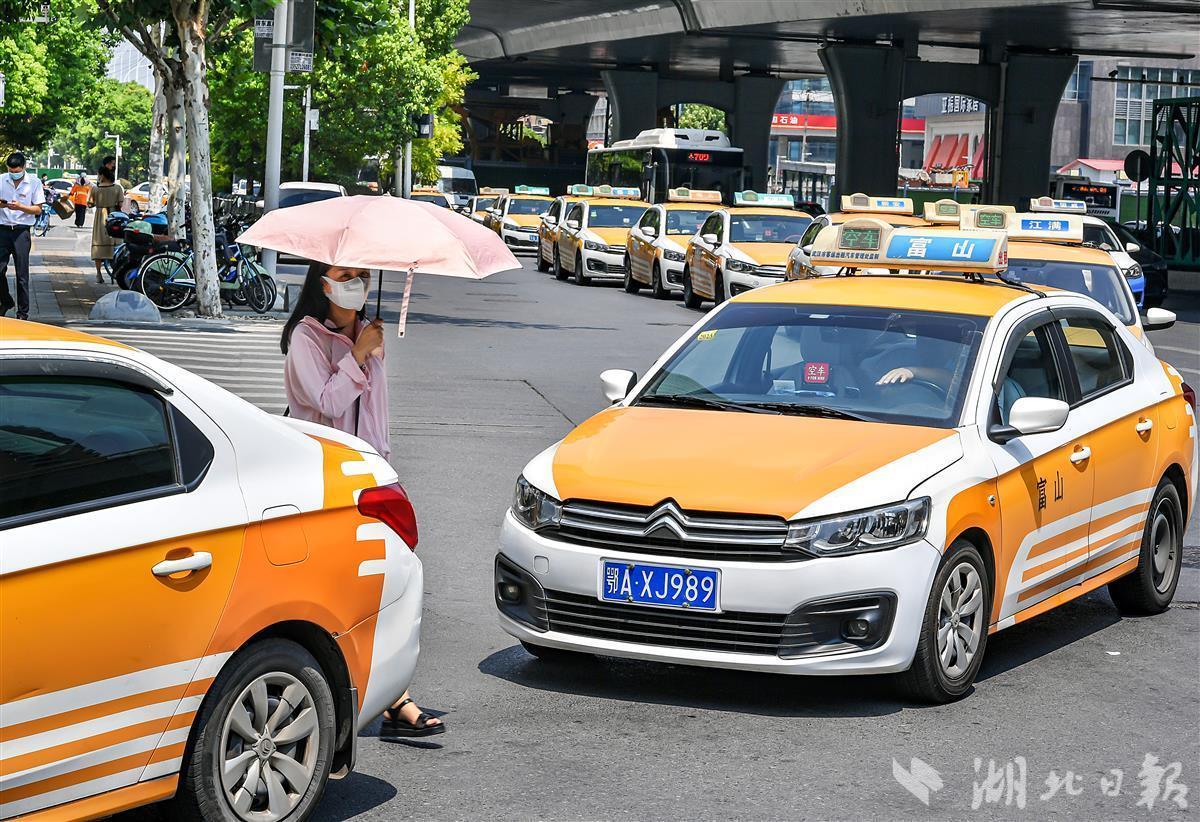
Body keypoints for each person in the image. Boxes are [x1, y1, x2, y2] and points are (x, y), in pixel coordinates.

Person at [281, 262, 446, 741]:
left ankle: (392, 696)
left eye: (363, 276)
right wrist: (356, 354)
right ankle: (344, 694)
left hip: (369, 479)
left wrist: (384, 470)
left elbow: (376, 413)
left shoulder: (369, 334)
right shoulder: (305, 339)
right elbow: (326, 403)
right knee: (329, 589)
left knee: (385, 582)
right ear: (322, 282)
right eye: (345, 274)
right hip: (321, 480)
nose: (357, 284)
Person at [0, 152, 45, 320]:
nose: (13, 173)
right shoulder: (1, 179)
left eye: (16, 170)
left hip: (21, 231)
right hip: (3, 229)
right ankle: (6, 300)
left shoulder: (33, 182)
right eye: (11, 170)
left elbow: (38, 209)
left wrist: (20, 207)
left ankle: (22, 313)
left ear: (24, 167)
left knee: (22, 275)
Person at [88, 167, 123, 284]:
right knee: (116, 244)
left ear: (102, 175)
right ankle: (117, 271)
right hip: (114, 216)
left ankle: (98, 274)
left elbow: (90, 204)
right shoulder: (118, 188)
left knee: (99, 244)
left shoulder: (95, 189)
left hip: (100, 218)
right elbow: (121, 203)